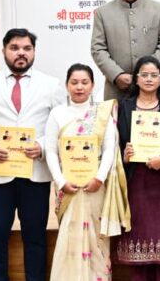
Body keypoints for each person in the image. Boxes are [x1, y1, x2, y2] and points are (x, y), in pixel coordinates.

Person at [0, 28, 62, 281]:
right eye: (15, 48)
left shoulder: (51, 85)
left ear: (34, 52)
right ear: (4, 51)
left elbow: (60, 125)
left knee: (35, 237)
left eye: (27, 48)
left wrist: (42, 145)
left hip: (35, 174)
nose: (21, 53)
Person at [44, 64, 126, 280]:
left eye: (84, 82)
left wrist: (99, 178)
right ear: (66, 85)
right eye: (74, 82)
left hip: (95, 186)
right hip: (67, 186)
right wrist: (60, 181)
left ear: (92, 85)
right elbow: (50, 150)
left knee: (96, 237)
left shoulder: (102, 113)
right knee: (69, 235)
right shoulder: (57, 114)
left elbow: (109, 148)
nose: (79, 87)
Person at [115, 56, 160, 280]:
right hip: (137, 181)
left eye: (154, 75)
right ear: (136, 79)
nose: (149, 79)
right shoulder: (124, 107)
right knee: (139, 235)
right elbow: (115, 143)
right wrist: (125, 156)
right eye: (144, 75)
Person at [91, 0, 160, 100]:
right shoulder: (102, 13)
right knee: (117, 115)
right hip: (116, 88)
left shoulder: (159, 10)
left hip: (152, 87)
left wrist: (146, 73)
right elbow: (97, 48)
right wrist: (117, 75)